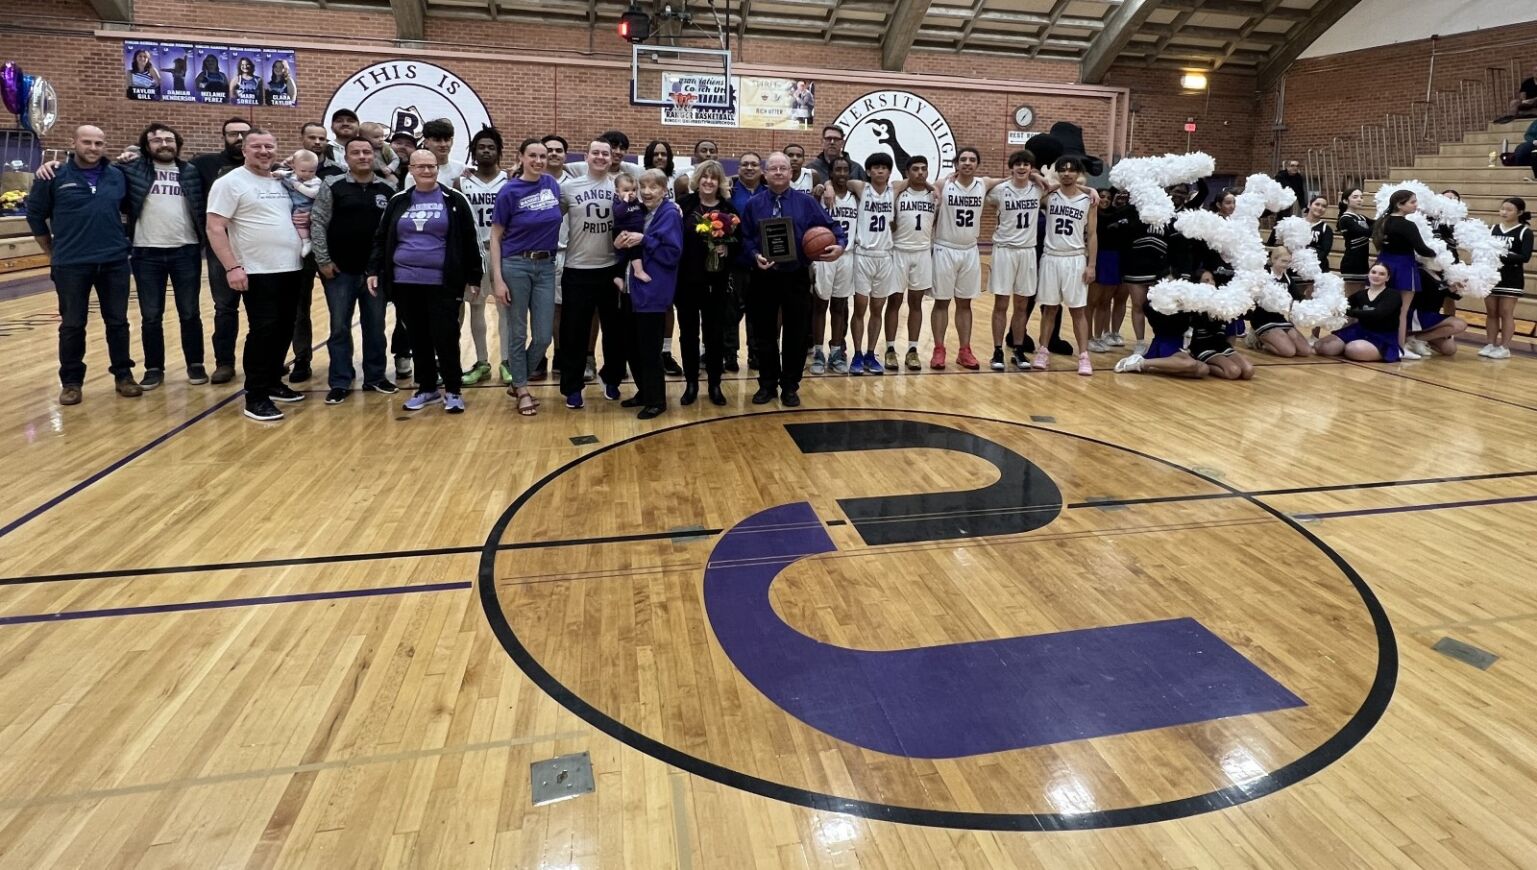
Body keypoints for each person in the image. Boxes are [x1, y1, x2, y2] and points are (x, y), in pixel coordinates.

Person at [27, 124, 139, 405]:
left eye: (99, 143)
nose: (93, 148)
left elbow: (129, 208)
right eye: (87, 142)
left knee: (118, 322)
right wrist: (51, 253)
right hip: (71, 264)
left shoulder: (116, 175)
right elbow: (36, 217)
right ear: (74, 143)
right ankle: (71, 382)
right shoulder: (52, 175)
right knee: (73, 324)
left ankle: (123, 376)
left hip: (114, 261)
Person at [205, 127, 309, 421]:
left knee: (285, 329)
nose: (264, 152)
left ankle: (274, 382)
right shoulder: (230, 182)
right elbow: (215, 227)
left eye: (269, 147)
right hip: (257, 271)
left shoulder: (281, 181)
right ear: (244, 150)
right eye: (257, 147)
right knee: (263, 332)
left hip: (290, 268)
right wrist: (232, 266)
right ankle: (256, 396)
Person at [368, 150, 481, 414]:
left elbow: (469, 239)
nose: (427, 171)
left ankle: (452, 390)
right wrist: (373, 269)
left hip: (443, 282)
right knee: (417, 337)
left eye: (431, 166)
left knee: (446, 336)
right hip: (405, 281)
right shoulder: (399, 200)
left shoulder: (453, 199)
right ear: (411, 169)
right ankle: (427, 387)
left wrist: (474, 276)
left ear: (437, 169)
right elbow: (381, 237)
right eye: (421, 167)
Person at [740, 151, 846, 407]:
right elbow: (744, 238)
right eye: (773, 168)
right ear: (765, 174)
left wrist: (840, 245)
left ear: (791, 173)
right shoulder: (754, 205)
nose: (778, 172)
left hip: (796, 275)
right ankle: (766, 384)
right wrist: (754, 255)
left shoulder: (806, 202)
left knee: (796, 334)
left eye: (783, 168)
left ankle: (790, 385)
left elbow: (833, 228)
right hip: (764, 276)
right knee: (764, 334)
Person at [311, 135, 398, 404]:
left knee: (375, 326)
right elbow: (318, 222)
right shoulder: (333, 186)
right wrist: (323, 260)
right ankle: (340, 380)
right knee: (339, 327)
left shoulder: (387, 189)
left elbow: (392, 234)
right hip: (340, 272)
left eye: (367, 152)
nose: (362, 157)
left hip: (375, 274)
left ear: (374, 157)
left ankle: (375, 376)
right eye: (356, 153)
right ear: (346, 158)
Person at [124, 123, 208, 389]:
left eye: (169, 139)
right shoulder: (133, 169)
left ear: (177, 143)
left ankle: (196, 364)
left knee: (190, 312)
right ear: (146, 146)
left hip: (186, 249)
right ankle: (154, 368)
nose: (164, 144)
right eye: (156, 140)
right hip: (146, 251)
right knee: (151, 315)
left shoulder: (191, 171)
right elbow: (103, 169)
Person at [491, 138, 563, 417]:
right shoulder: (509, 191)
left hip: (546, 267)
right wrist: (497, 278)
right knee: (518, 331)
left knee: (544, 335)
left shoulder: (552, 185)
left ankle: (518, 377)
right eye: (532, 155)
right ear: (521, 157)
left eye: (542, 156)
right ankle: (521, 388)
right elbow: (496, 236)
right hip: (516, 266)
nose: (538, 161)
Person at [557, 139, 628, 409]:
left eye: (605, 153)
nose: (600, 157)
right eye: (595, 152)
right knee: (574, 333)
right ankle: (573, 387)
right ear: (586, 156)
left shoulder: (619, 188)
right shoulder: (568, 188)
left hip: (611, 270)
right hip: (577, 269)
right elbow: (549, 219)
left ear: (612, 158)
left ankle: (612, 379)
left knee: (615, 331)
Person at [613, 169, 683, 419]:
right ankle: (644, 392)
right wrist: (619, 243)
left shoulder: (669, 214)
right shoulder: (639, 211)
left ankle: (657, 400)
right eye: (643, 186)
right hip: (631, 288)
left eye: (653, 187)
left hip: (653, 290)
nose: (646, 191)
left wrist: (644, 240)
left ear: (665, 190)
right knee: (632, 346)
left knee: (649, 350)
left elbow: (671, 254)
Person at [189, 116, 251, 385]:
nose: (238, 139)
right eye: (232, 134)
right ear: (223, 137)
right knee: (225, 308)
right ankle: (224, 363)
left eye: (243, 134)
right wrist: (131, 157)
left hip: (256, 250)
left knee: (261, 311)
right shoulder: (204, 165)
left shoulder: (268, 168)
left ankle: (261, 361)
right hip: (221, 250)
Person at [675, 160, 738, 404]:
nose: (709, 181)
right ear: (698, 179)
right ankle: (691, 383)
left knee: (714, 334)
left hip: (717, 282)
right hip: (687, 281)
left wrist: (727, 248)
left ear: (720, 182)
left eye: (714, 178)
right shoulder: (683, 206)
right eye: (705, 177)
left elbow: (740, 243)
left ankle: (714, 384)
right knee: (688, 334)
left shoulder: (729, 210)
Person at [832, 152, 899, 375]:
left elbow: (916, 180)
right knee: (860, 307)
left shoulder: (895, 190)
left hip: (885, 257)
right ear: (868, 171)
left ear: (890, 171)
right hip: (863, 256)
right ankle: (857, 354)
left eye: (884, 167)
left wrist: (936, 184)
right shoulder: (861, 188)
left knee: (877, 309)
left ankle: (871, 353)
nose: (880, 171)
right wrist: (826, 186)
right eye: (875, 167)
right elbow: (835, 180)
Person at [1032, 157, 1098, 376]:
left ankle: (1084, 356)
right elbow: (1029, 179)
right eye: (1062, 170)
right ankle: (1043, 350)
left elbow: (1093, 234)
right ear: (1057, 173)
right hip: (1051, 257)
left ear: (1078, 173)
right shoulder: (1049, 195)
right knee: (1049, 309)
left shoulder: (1088, 200)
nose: (1067, 174)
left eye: (1071, 170)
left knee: (1078, 310)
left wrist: (1092, 265)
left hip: (1075, 258)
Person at [454, 128, 508, 386]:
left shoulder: (510, 180)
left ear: (499, 152)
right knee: (476, 307)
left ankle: (507, 361)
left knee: (505, 308)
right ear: (474, 151)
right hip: (473, 253)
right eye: (481, 147)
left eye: (491, 147)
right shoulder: (461, 182)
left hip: (503, 251)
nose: (486, 151)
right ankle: (482, 361)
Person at [928, 146, 988, 370]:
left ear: (977, 164)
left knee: (965, 304)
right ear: (956, 163)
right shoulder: (944, 184)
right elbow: (925, 186)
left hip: (970, 250)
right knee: (941, 302)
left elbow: (1013, 177)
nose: (967, 163)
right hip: (945, 248)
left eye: (972, 159)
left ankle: (965, 350)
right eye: (963, 159)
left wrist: (1035, 176)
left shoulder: (984, 184)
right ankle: (939, 349)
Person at [1372, 189, 1441, 359]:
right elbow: (1422, 249)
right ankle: (1400, 347)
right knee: (1402, 311)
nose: (1416, 205)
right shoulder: (1407, 224)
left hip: (1383, 265)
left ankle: (1377, 342)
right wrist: (1439, 254)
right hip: (1403, 267)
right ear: (1399, 205)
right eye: (1412, 202)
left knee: (1382, 307)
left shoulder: (1382, 221)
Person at [810, 155, 858, 375]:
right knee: (820, 305)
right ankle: (818, 351)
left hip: (846, 256)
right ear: (830, 173)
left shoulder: (856, 197)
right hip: (823, 257)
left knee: (840, 306)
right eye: (837, 170)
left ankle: (836, 350)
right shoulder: (820, 195)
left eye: (845, 170)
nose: (841, 173)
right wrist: (822, 188)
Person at [892, 155, 937, 371]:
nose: (920, 172)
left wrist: (930, 186)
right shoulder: (898, 191)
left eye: (924, 169)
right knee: (894, 302)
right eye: (915, 169)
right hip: (899, 252)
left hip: (922, 254)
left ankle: (912, 350)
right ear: (908, 172)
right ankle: (890, 349)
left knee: (916, 304)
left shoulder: (933, 195)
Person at [1316, 262, 1403, 362]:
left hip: (1382, 335)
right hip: (1360, 330)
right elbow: (1344, 305)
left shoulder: (1393, 295)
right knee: (1322, 346)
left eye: (1381, 274)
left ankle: (1386, 352)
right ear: (1368, 274)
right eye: (1373, 272)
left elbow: (1378, 314)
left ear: (1387, 278)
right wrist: (1331, 306)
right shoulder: (1360, 294)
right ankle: (1349, 348)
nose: (1376, 276)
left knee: (1353, 349)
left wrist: (1349, 312)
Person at [726, 150, 765, 371]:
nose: (749, 168)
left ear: (761, 169)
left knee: (757, 312)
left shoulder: (769, 192)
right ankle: (729, 354)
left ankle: (755, 354)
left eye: (753, 165)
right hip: (735, 262)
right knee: (731, 312)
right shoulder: (729, 191)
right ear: (738, 168)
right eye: (744, 165)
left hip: (761, 262)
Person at [1484, 196, 1533, 359]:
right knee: (1491, 312)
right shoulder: (1493, 229)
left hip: (1512, 277)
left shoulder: (1525, 232)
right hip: (1492, 275)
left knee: (1505, 312)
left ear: (1519, 212)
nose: (1504, 212)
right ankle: (1490, 344)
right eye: (1502, 208)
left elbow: (1525, 257)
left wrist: (1502, 255)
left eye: (1509, 210)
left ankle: (1504, 347)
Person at [1244, 248, 1313, 358]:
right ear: (1274, 259)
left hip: (1279, 318)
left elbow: (1298, 297)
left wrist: (1313, 303)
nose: (1286, 265)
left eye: (1288, 262)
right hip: (1262, 319)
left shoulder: (1288, 278)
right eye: (1283, 261)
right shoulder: (1263, 275)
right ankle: (1258, 336)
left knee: (1306, 351)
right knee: (1289, 352)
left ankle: (1274, 339)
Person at [1088, 188, 1133, 353]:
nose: (1105, 199)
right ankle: (1088, 338)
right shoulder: (1091, 212)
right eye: (1102, 196)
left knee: (1104, 302)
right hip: (1097, 257)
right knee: (1091, 301)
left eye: (1108, 197)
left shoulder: (1116, 213)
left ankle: (1099, 337)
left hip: (1113, 259)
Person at [1111, 304, 1206, 379]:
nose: (1210, 283)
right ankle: (1140, 362)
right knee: (1190, 364)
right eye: (1206, 280)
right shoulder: (1168, 303)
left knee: (1203, 370)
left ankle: (1156, 366)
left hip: (1186, 345)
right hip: (1169, 343)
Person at [281, 150, 321, 258]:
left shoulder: (315, 181)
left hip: (306, 207)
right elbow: (284, 174)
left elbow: (313, 194)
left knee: (299, 221)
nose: (307, 174)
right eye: (303, 171)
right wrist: (277, 173)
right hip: (294, 205)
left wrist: (297, 185)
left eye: (311, 171)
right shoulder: (292, 175)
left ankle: (306, 241)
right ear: (294, 167)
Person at [1336, 188, 1371, 292]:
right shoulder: (1345, 218)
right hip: (1352, 262)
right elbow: (1366, 232)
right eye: (1355, 197)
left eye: (1361, 197)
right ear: (1345, 201)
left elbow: (1377, 224)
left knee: (1360, 294)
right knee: (1352, 296)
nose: (1359, 199)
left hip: (1363, 261)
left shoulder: (1362, 217)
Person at [421, 118, 465, 187]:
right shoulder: (417, 173)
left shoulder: (462, 169)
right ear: (426, 143)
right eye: (437, 140)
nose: (443, 144)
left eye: (446, 140)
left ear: (452, 141)